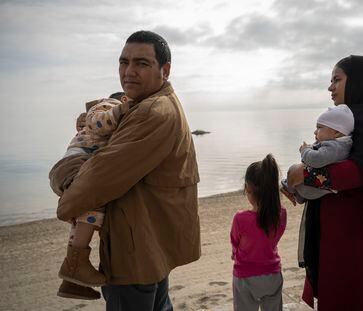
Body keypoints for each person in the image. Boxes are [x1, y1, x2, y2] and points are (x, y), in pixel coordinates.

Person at [49, 30, 201, 310]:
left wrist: (64, 189)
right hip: (152, 246)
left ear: (164, 70)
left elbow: (97, 180)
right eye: (123, 62)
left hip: (133, 255)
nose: (129, 71)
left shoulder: (152, 112)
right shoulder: (148, 105)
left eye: (142, 63)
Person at [285, 55, 363, 310]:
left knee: (361, 291)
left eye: (337, 79)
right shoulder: (347, 118)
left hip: (361, 228)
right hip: (343, 225)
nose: (330, 87)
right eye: (330, 80)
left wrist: (306, 176)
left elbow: (361, 170)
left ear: (359, 82)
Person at [53, 93, 130, 299]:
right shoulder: (107, 106)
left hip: (75, 163)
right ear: (122, 100)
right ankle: (77, 263)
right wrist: (120, 110)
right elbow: (96, 122)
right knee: (95, 200)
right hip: (76, 163)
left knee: (81, 218)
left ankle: (71, 280)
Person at [231, 154, 287, 311]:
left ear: (249, 190)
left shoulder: (240, 219)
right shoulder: (281, 214)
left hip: (245, 276)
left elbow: (235, 242)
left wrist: (235, 252)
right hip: (272, 274)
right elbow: (274, 238)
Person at [281, 104, 354, 204]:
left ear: (337, 132)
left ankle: (292, 191)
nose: (315, 132)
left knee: (292, 169)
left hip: (312, 190)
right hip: (317, 186)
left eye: (319, 127)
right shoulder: (339, 144)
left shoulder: (335, 147)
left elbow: (316, 160)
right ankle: (295, 192)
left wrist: (305, 150)